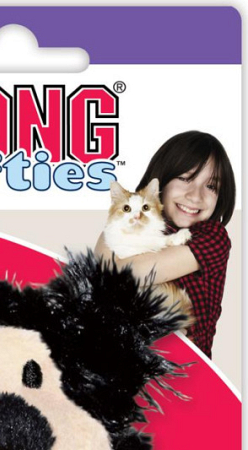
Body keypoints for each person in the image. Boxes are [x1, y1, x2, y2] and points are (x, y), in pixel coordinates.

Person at [95, 131, 236, 358]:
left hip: (185, 371)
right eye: (185, 178)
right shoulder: (130, 222)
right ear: (162, 180)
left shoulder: (213, 237)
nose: (195, 195)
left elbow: (122, 273)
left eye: (211, 186)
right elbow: (101, 277)